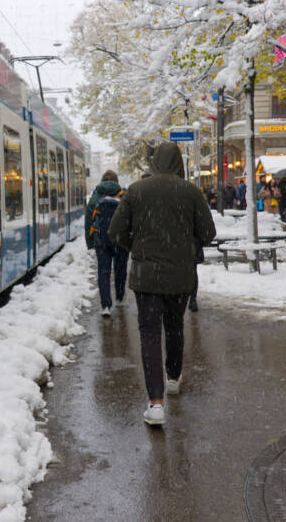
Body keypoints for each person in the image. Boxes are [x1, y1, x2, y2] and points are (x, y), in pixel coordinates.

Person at [108, 142, 216, 426]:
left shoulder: (136, 190)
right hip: (180, 276)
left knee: (149, 334)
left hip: (146, 277)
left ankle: (155, 403)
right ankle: (173, 377)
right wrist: (182, 245)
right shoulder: (190, 191)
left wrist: (137, 248)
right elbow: (207, 233)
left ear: (154, 162)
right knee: (174, 326)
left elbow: (115, 231)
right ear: (178, 162)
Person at [85, 170, 129, 315]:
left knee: (103, 272)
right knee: (120, 269)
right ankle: (120, 298)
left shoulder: (96, 197)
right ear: (116, 181)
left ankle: (105, 305)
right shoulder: (123, 195)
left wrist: (90, 242)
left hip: (101, 240)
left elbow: (88, 221)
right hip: (120, 239)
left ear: (102, 181)